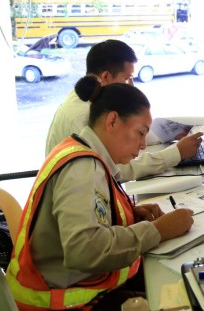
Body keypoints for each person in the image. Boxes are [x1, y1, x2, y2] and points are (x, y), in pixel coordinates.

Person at [7, 76, 194, 310]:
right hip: (62, 301)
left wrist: (128, 216)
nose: (144, 144)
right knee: (179, 291)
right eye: (141, 132)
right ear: (113, 121)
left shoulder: (79, 149)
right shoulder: (81, 168)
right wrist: (156, 230)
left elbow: (89, 215)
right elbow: (83, 250)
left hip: (73, 285)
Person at [45, 39, 203, 181]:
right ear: (106, 77)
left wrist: (170, 133)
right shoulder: (83, 115)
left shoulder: (96, 102)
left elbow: (123, 135)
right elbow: (118, 171)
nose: (130, 85)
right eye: (126, 78)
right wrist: (176, 154)